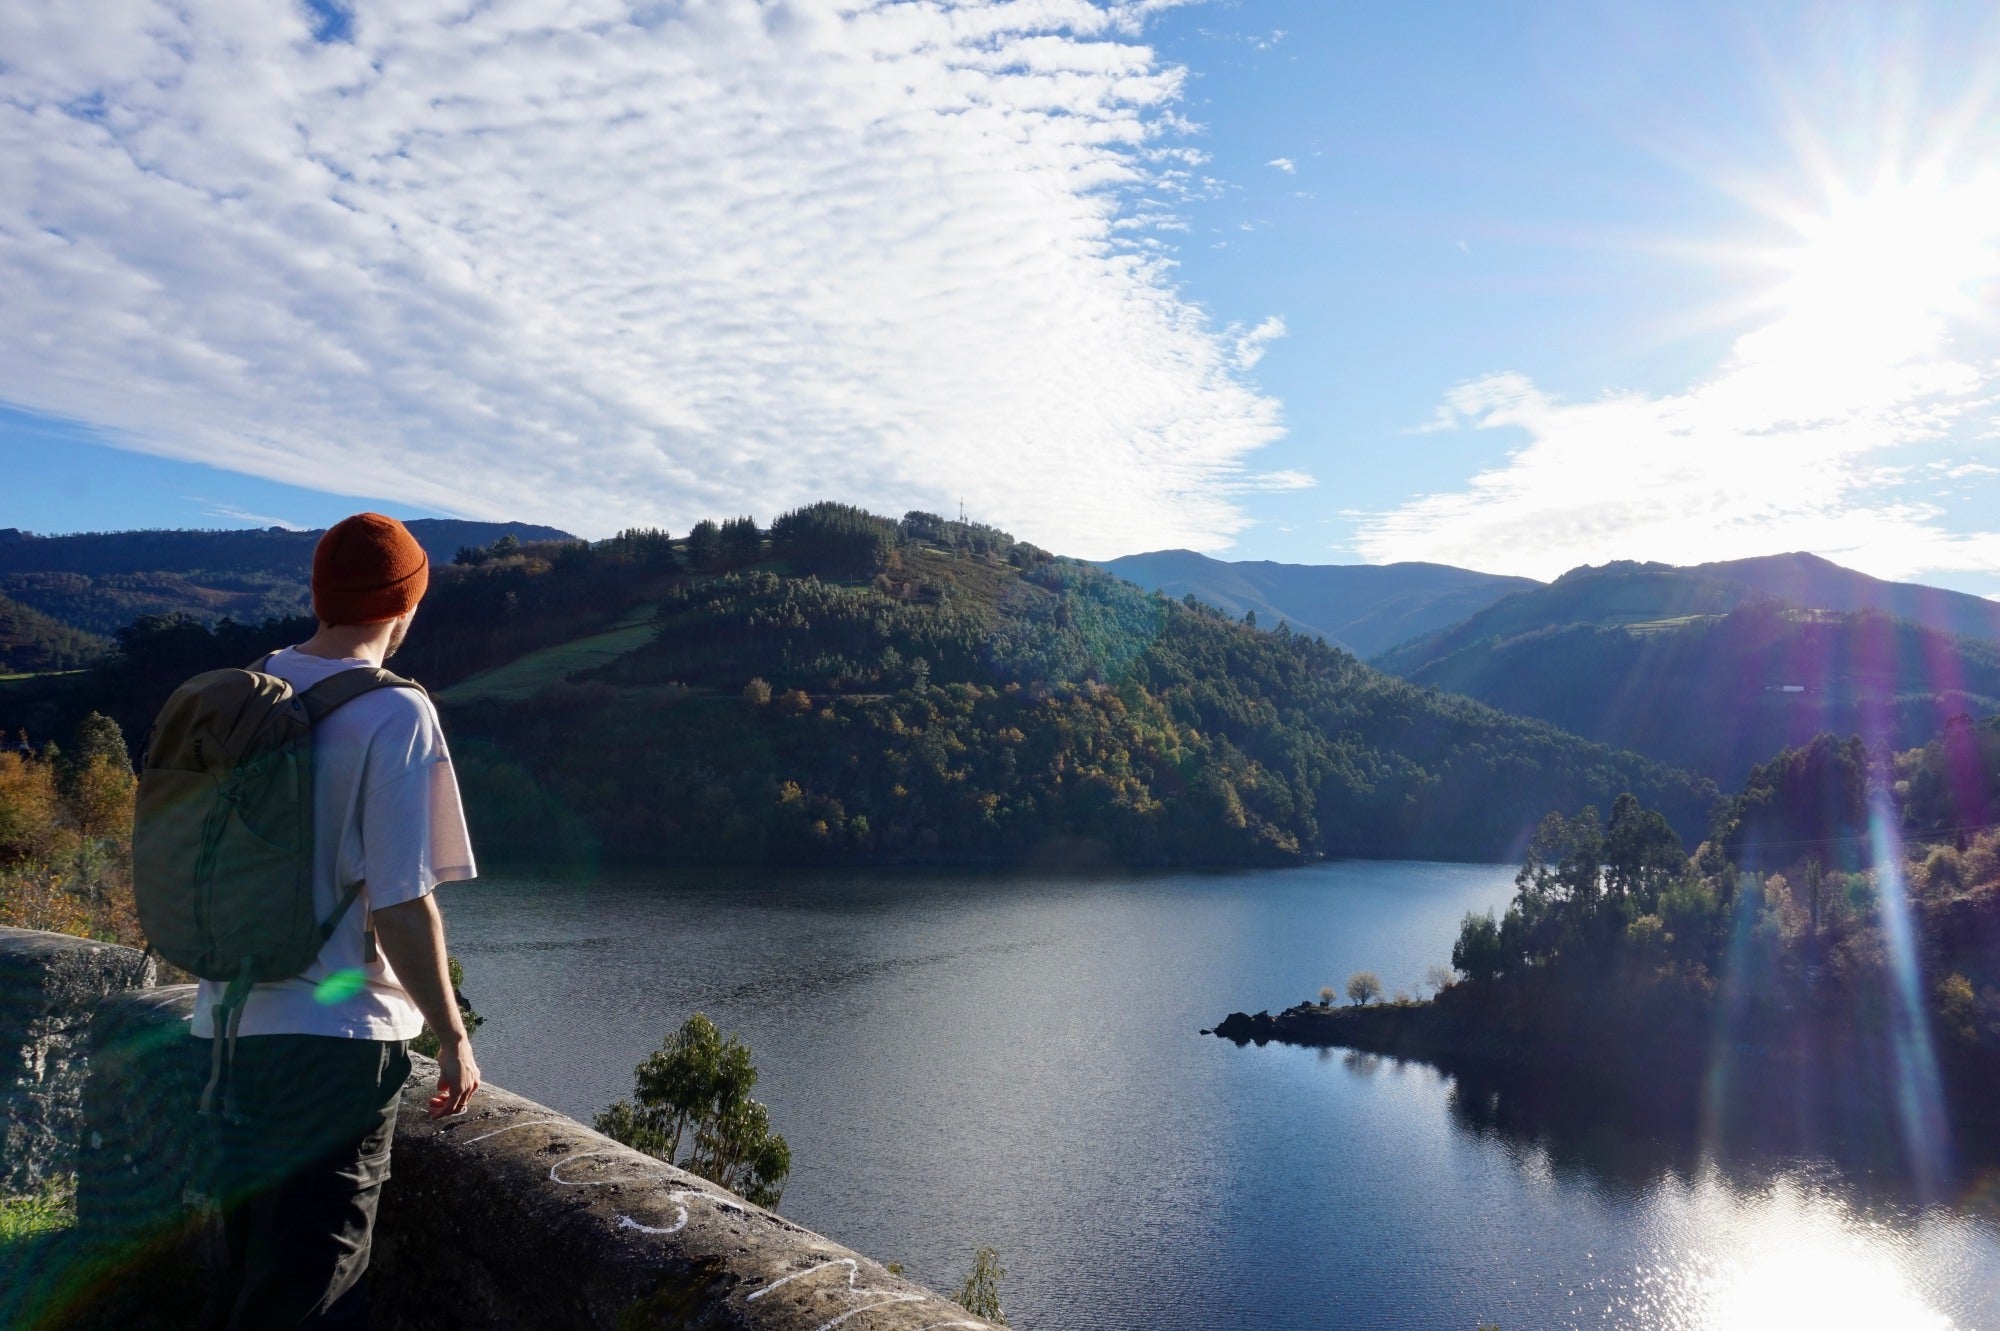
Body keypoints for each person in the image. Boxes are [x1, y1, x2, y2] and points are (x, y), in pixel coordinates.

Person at [193, 512, 481, 1328]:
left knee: (250, 1279)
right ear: (405, 605)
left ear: (319, 595)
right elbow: (399, 900)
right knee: (314, 1294)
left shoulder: (248, 687)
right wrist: (452, 1035)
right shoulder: (396, 713)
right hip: (333, 1049)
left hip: (221, 1032)